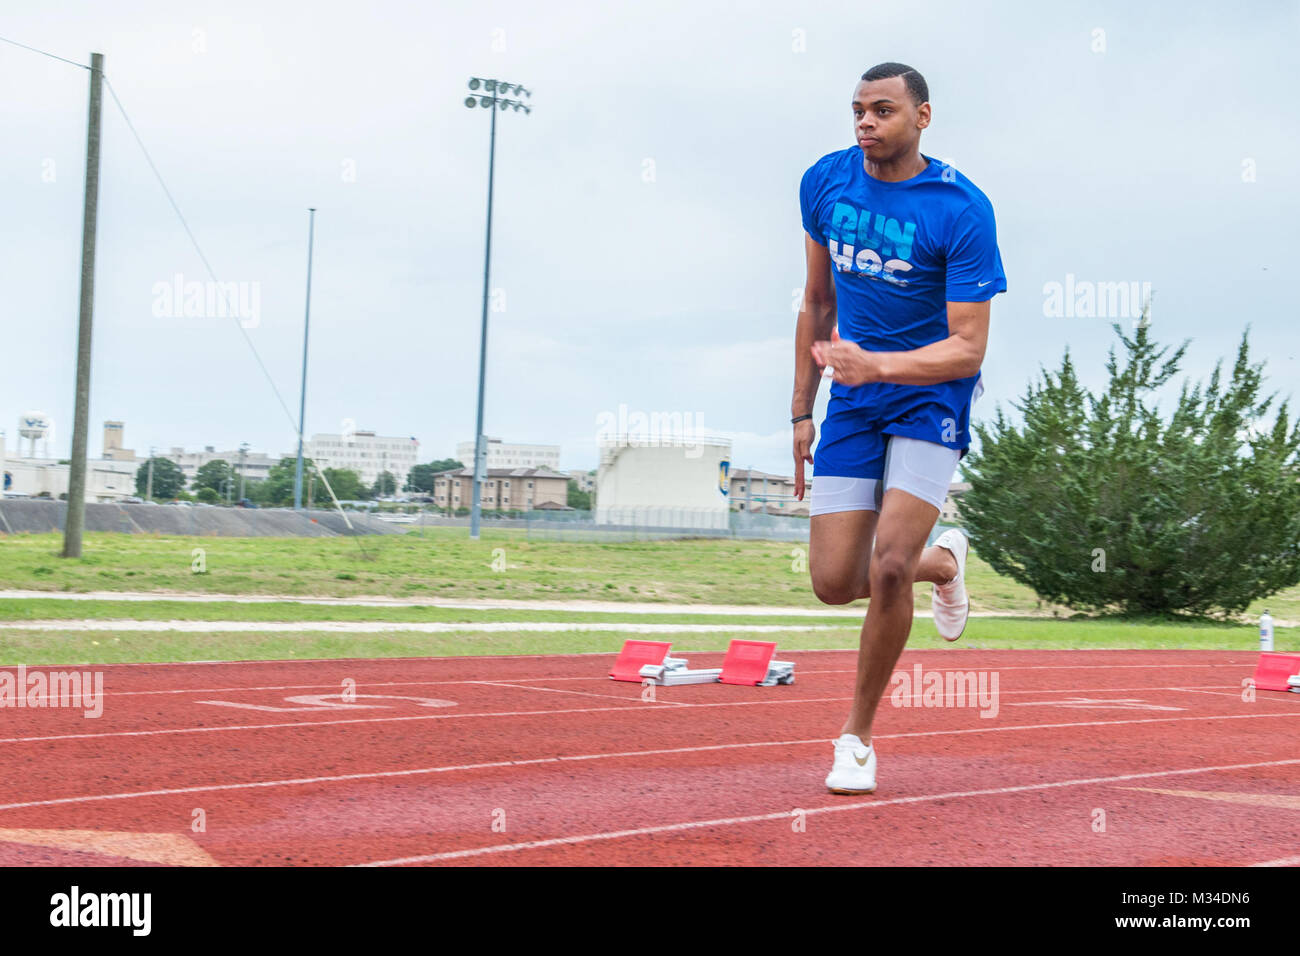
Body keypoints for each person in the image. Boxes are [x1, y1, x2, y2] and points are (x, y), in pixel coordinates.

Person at [792, 62, 1007, 794]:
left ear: (922, 117)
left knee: (887, 566)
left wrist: (877, 366)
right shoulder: (825, 182)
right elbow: (817, 303)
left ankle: (855, 738)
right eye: (858, 109)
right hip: (854, 399)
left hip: (930, 395)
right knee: (833, 583)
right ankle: (944, 563)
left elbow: (968, 347)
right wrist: (801, 410)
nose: (866, 121)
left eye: (883, 110)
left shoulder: (961, 208)